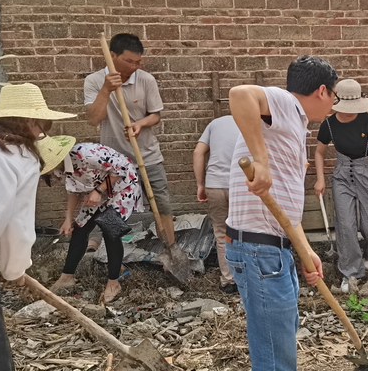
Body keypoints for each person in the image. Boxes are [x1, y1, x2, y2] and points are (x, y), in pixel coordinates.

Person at [226, 55, 335, 371]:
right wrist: (260, 161)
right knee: (275, 354)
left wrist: (305, 250)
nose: (332, 106)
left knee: (280, 338)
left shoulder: (294, 123)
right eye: (334, 97)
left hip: (273, 248)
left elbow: (286, 207)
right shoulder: (287, 103)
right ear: (322, 91)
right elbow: (239, 94)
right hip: (258, 248)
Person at [0, 83, 75, 371]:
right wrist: (14, 270)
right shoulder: (21, 157)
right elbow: (16, 227)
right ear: (31, 121)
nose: (42, 134)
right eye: (43, 127)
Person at [84, 33, 175, 245]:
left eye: (138, 62)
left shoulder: (146, 79)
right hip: (112, 163)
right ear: (112, 56)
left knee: (162, 205)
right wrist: (106, 89)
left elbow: (155, 115)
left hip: (148, 157)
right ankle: (111, 251)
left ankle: (170, 246)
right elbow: (94, 119)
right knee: (109, 207)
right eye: (129, 61)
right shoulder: (94, 81)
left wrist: (140, 124)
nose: (134, 66)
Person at [44, 139, 143, 303]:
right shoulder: (59, 169)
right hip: (98, 190)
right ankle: (67, 276)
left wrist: (98, 190)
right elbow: (74, 191)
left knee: (110, 228)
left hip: (122, 185)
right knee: (80, 227)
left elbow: (121, 169)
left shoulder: (86, 154)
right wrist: (68, 218)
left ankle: (113, 283)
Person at [313, 79, 368, 293]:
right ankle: (351, 272)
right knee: (345, 225)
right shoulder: (329, 124)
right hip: (342, 174)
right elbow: (319, 152)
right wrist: (320, 179)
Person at [193, 115, 240, 294]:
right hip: (241, 186)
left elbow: (198, 152)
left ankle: (228, 281)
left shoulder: (215, 123)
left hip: (215, 184)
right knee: (246, 232)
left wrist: (200, 185)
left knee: (222, 233)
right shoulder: (253, 122)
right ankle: (246, 277)